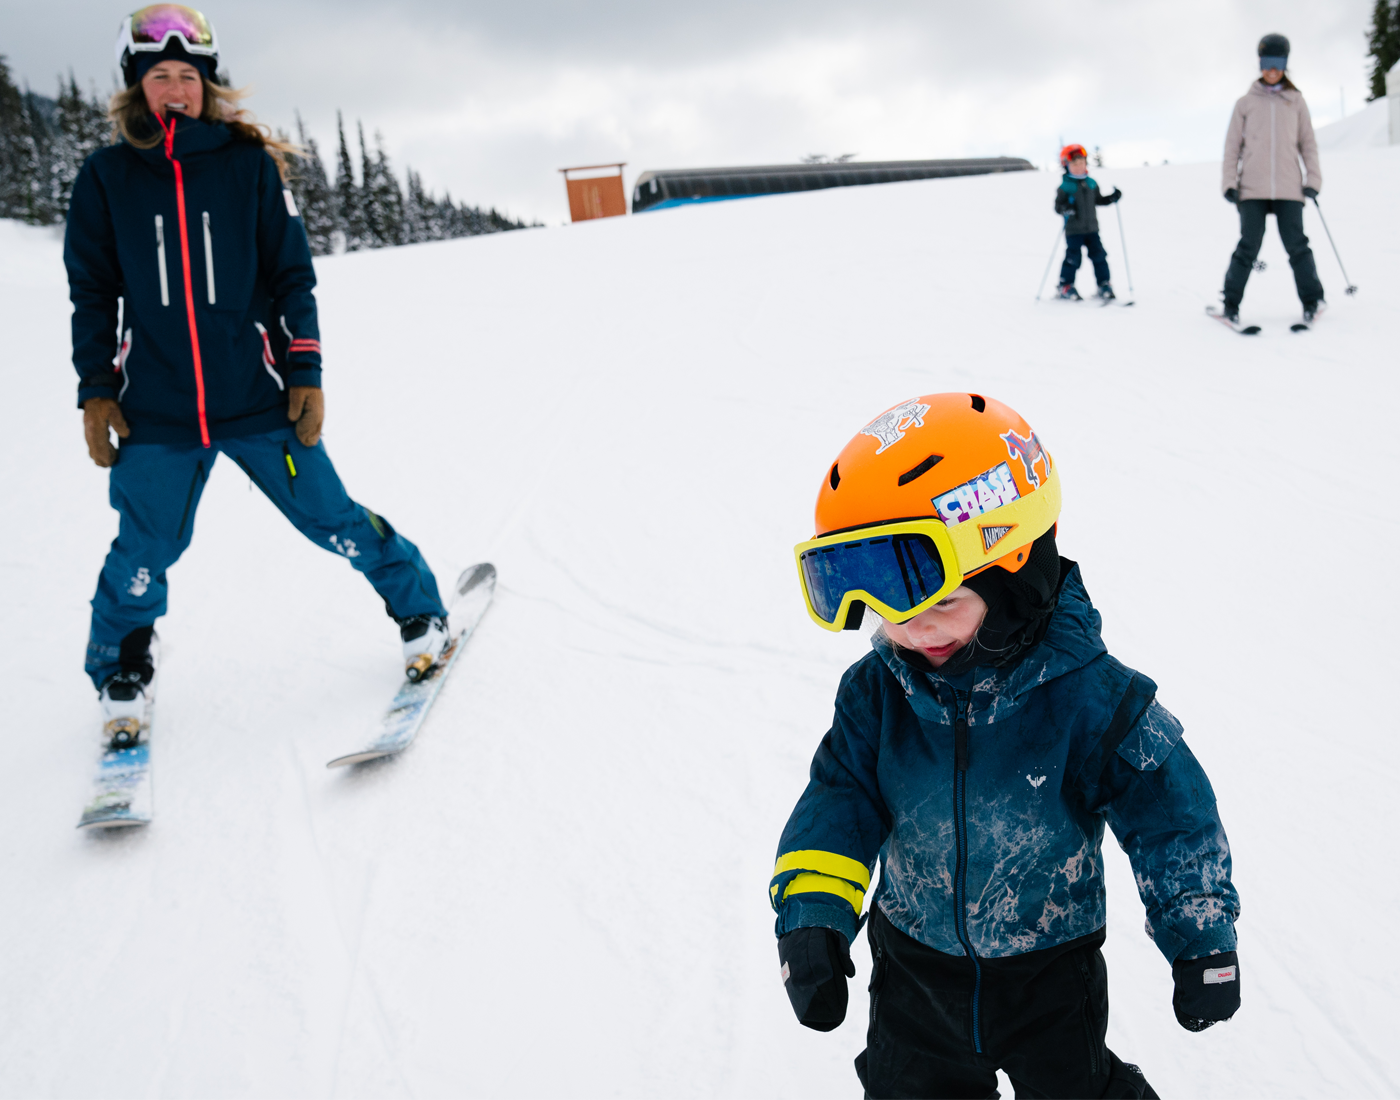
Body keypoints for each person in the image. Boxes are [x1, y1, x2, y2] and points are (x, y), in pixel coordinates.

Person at [771, 394, 1241, 1099]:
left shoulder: (1095, 700)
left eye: (941, 604)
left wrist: (1201, 936)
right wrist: (812, 915)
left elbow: (1172, 818)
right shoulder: (877, 694)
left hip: (1049, 969)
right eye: (890, 611)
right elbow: (840, 799)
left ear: (1017, 578)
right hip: (914, 970)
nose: (914, 632)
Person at [66, 5, 451, 747]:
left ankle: (419, 611)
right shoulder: (106, 178)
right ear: (136, 87)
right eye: (159, 76)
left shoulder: (246, 166)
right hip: (156, 409)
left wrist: (304, 367)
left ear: (207, 86)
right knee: (144, 548)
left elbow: (290, 275)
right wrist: (96, 390)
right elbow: (92, 294)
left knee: (332, 518)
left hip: (256, 398)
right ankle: (121, 669)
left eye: (187, 76)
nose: (175, 90)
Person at [1220, 33, 1325, 324]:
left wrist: (1313, 181)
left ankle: (1313, 300)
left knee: (1297, 245)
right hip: (1252, 188)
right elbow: (1232, 147)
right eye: (1267, 63)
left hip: (1289, 188)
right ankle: (1230, 304)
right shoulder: (1245, 103)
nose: (1272, 70)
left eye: (1277, 63)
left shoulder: (1296, 101)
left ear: (1285, 64)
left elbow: (1308, 144)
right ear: (1260, 64)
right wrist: (1229, 183)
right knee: (1248, 246)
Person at [1053, 144, 1121, 301]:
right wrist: (1066, 208)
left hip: (1092, 229)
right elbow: (1058, 207)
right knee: (1073, 258)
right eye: (1074, 164)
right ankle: (1065, 286)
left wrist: (1111, 198)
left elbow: (1099, 200)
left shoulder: (1091, 183)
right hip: (1074, 231)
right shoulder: (1065, 186)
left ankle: (1104, 284)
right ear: (1066, 166)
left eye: (1081, 163)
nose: (1079, 167)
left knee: (1099, 256)